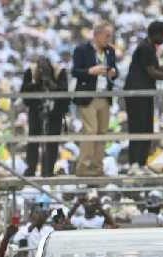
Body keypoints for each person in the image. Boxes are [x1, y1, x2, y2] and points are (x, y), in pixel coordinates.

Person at [124, 21, 163, 170]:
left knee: (146, 128)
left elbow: (157, 67)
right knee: (138, 128)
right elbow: (152, 72)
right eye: (162, 34)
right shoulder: (145, 48)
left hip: (144, 93)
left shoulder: (149, 47)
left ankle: (141, 163)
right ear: (155, 34)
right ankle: (134, 165)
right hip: (137, 94)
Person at [70, 22, 118, 177]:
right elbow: (75, 71)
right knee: (90, 131)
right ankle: (83, 167)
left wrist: (113, 73)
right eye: (107, 35)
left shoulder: (110, 51)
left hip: (104, 96)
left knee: (102, 132)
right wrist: (90, 71)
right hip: (88, 96)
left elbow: (114, 71)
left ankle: (97, 167)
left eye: (110, 36)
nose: (109, 39)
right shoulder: (81, 50)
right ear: (97, 35)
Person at [21, 57, 70, 177]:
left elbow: (65, 93)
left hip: (55, 112)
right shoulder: (30, 72)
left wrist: (52, 85)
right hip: (36, 110)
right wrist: (36, 84)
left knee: (52, 141)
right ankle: (31, 168)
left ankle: (48, 170)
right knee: (33, 139)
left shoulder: (59, 72)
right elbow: (24, 94)